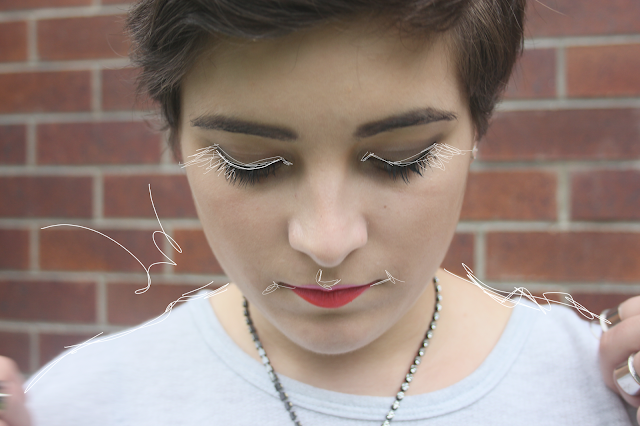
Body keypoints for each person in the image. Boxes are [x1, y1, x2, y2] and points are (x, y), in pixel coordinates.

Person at [0, 0, 639, 424]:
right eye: (250, 164)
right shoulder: (78, 405)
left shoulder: (602, 394)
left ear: (479, 128)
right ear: (176, 142)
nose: (326, 241)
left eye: (400, 158)